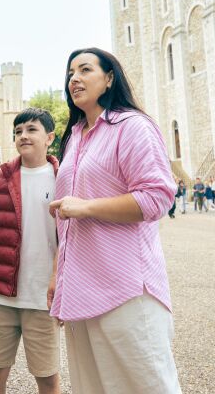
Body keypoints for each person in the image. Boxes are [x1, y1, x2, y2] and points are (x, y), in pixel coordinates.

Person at [48, 48, 182, 394]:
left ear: (109, 79)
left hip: (126, 289)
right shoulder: (75, 137)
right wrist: (58, 277)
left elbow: (157, 197)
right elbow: (66, 222)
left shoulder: (132, 126)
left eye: (85, 69)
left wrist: (87, 207)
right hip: (79, 291)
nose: (73, 78)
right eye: (70, 72)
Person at [0, 108, 60, 394]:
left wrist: (60, 285)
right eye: (18, 131)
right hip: (1, 295)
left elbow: (69, 239)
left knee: (47, 379)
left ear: (49, 137)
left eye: (31, 129)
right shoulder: (2, 176)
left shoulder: (62, 177)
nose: (23, 136)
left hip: (43, 298)